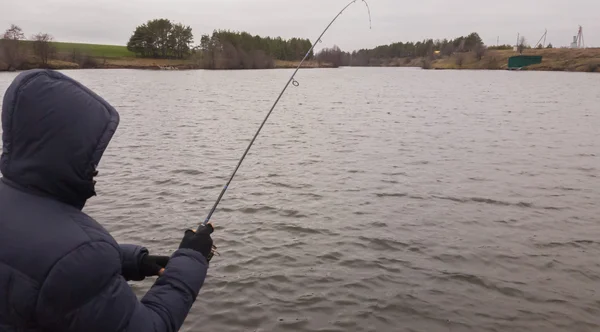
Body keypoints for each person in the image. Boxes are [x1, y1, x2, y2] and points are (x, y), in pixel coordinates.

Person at [0, 69, 215, 332]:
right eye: (93, 154)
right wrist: (191, 259)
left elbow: (38, 263)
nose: (96, 168)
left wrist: (128, 261)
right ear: (72, 150)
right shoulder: (79, 254)